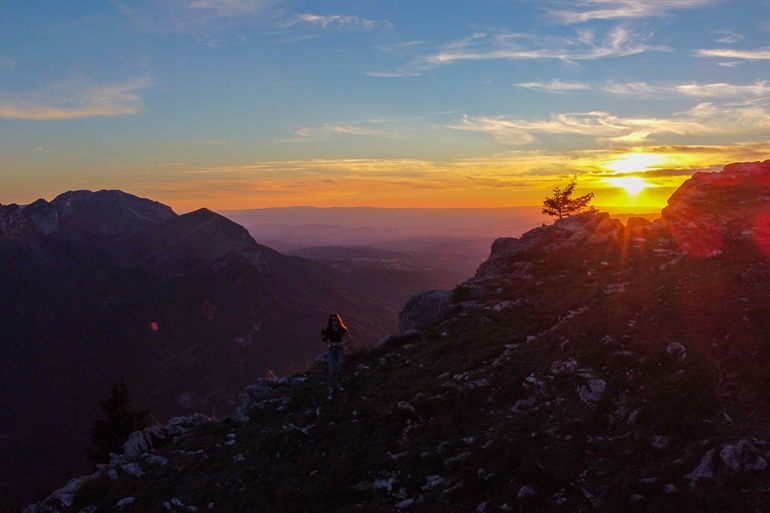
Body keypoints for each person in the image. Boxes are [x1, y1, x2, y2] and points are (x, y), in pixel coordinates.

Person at [322, 313, 353, 399]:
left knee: (339, 368)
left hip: (339, 349)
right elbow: (326, 340)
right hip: (331, 349)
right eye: (331, 320)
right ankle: (330, 389)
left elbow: (350, 338)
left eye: (335, 320)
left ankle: (338, 383)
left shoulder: (342, 329)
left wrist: (342, 344)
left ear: (338, 320)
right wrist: (326, 338)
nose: (333, 322)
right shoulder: (328, 329)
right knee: (331, 369)